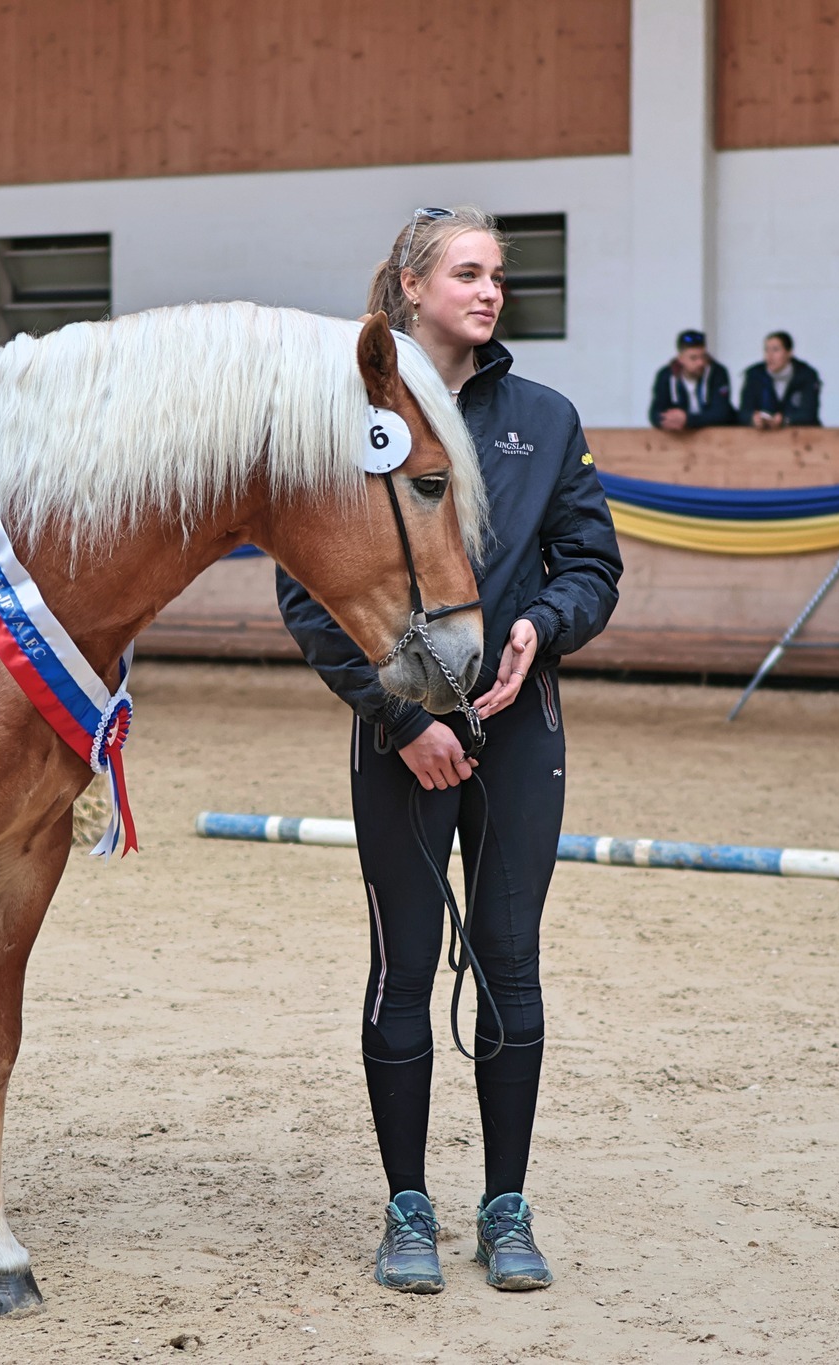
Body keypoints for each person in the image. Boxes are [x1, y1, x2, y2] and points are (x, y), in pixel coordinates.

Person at [276, 206, 622, 1296]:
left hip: (521, 734)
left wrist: (542, 626)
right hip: (402, 737)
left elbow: (593, 565)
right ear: (413, 287)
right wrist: (403, 721)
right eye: (468, 273)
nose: (489, 292)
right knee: (404, 970)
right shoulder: (350, 419)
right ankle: (407, 1206)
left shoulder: (545, 419)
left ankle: (506, 1206)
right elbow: (309, 593)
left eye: (497, 276)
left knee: (511, 964)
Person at [648, 329, 735, 430]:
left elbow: (722, 413)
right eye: (693, 358)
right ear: (680, 359)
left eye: (703, 357)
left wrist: (687, 419)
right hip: (679, 436)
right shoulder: (666, 375)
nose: (700, 363)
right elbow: (655, 413)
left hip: (718, 435)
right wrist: (666, 420)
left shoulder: (717, 372)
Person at [739, 331, 822, 428]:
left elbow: (809, 414)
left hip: (801, 434)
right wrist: (753, 419)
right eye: (766, 350)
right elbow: (743, 412)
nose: (769, 355)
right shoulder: (754, 375)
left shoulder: (806, 375)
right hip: (761, 435)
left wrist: (785, 419)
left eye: (775, 350)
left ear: (789, 353)